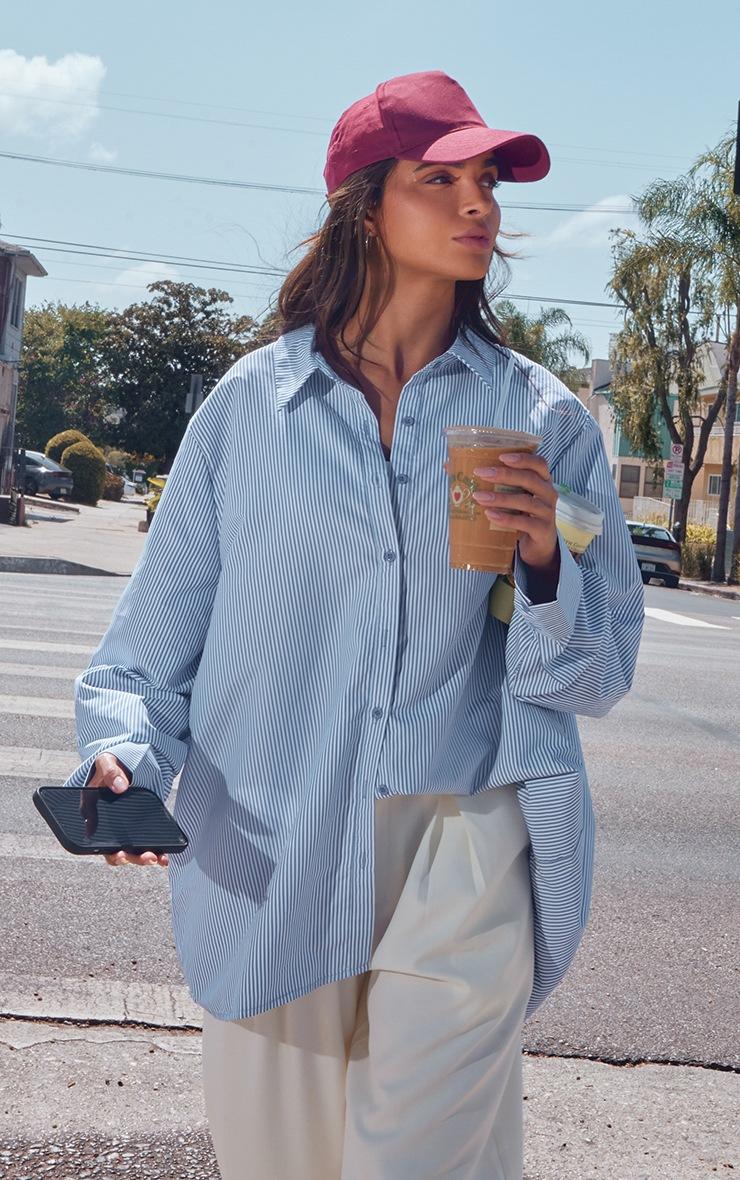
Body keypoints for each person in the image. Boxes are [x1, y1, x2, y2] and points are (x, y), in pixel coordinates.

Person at [64, 70, 644, 1179]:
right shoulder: (247, 412)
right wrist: (121, 753)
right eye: (443, 179)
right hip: (267, 846)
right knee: (282, 1159)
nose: (479, 203)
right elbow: (153, 638)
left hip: (464, 848)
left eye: (486, 180)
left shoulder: (539, 423)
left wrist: (538, 558)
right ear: (364, 207)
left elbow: (593, 672)